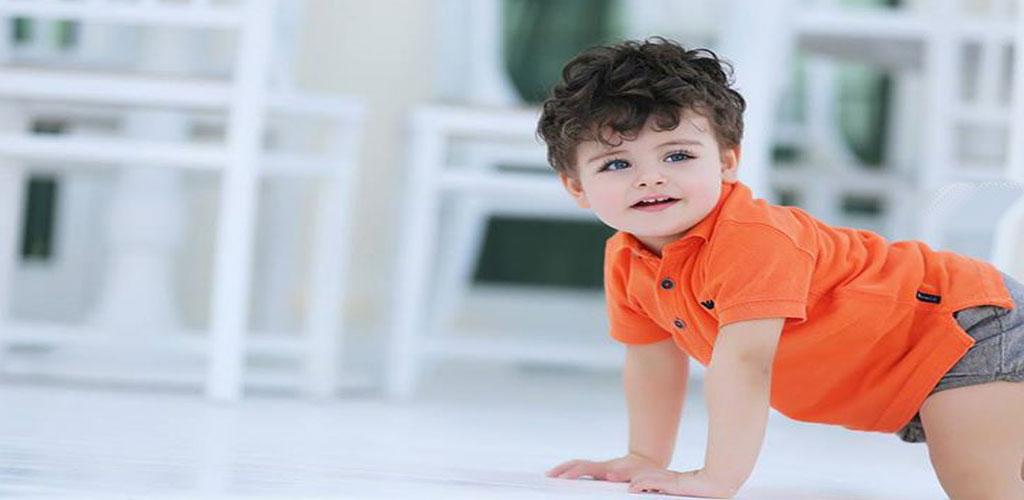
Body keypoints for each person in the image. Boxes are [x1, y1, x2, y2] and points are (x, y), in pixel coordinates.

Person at [537, 37, 1024, 498]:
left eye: (678, 155)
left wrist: (717, 478)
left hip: (967, 328)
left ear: (727, 162)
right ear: (577, 187)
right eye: (616, 164)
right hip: (910, 369)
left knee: (981, 485)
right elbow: (653, 361)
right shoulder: (628, 259)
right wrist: (644, 456)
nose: (651, 178)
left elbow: (746, 363)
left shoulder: (750, 241)